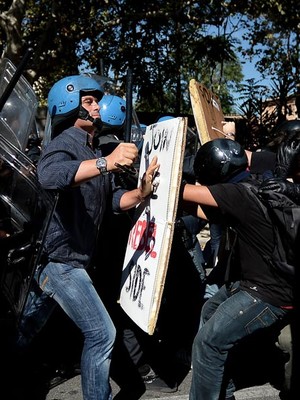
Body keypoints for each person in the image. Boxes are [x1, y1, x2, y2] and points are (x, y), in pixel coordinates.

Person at [17, 74, 159, 400]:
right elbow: (50, 176)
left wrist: (141, 192)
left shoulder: (91, 148)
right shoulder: (63, 144)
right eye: (89, 101)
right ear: (70, 108)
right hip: (60, 262)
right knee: (101, 334)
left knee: (24, 334)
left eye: (96, 101)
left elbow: (111, 201)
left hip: (75, 262)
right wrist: (107, 161)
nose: (97, 107)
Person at [180, 136, 299, 400]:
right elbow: (203, 211)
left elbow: (181, 191)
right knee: (210, 309)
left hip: (267, 294)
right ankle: (224, 392)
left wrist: (145, 178)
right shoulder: (252, 185)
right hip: (256, 284)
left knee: (208, 343)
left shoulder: (236, 194)